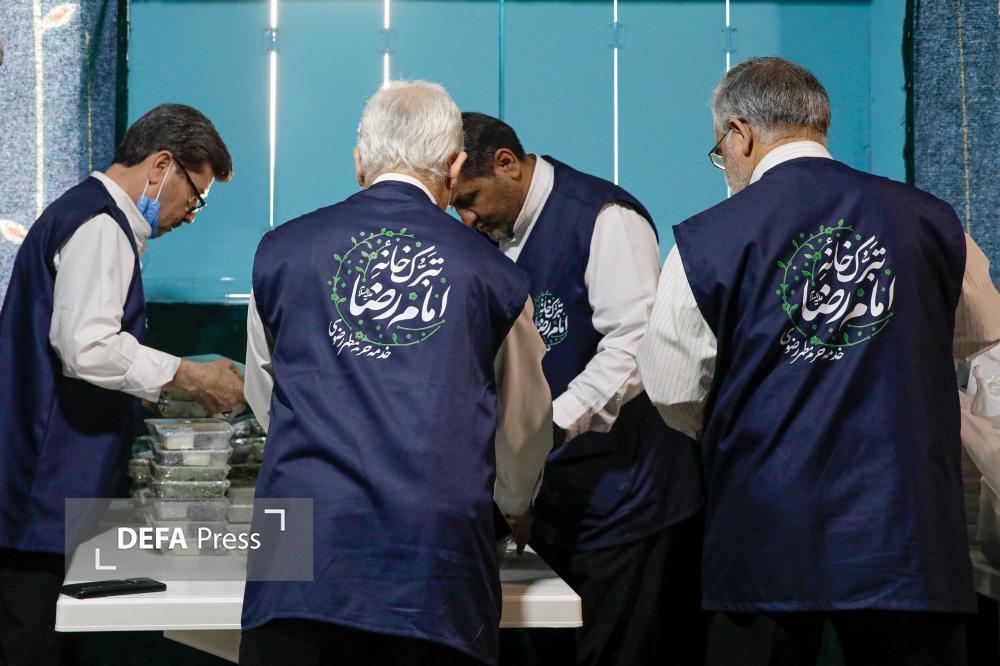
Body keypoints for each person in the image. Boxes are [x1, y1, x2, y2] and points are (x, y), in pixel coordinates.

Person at [637, 56, 1000, 666]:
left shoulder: (706, 239)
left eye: (720, 152)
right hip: (905, 528)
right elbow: (978, 334)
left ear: (738, 134)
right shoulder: (931, 219)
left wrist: (746, 421)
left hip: (767, 527)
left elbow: (674, 389)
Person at [239, 81, 553, 666]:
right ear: (454, 167)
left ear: (360, 163)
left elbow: (267, 396)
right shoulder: (494, 276)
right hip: (432, 555)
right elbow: (522, 424)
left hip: (297, 541)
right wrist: (513, 502)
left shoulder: (280, 251)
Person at [452, 113, 706, 666]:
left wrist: (541, 429)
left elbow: (633, 348)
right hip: (549, 498)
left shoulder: (603, 218)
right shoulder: (485, 236)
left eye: (470, 199)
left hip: (627, 499)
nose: (466, 217)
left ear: (507, 164)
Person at [0, 103, 246, 666]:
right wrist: (191, 377)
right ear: (161, 166)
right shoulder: (99, 225)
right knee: (32, 643)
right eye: (196, 196)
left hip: (44, 486)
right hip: (41, 487)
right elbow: (87, 348)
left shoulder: (87, 215)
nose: (191, 215)